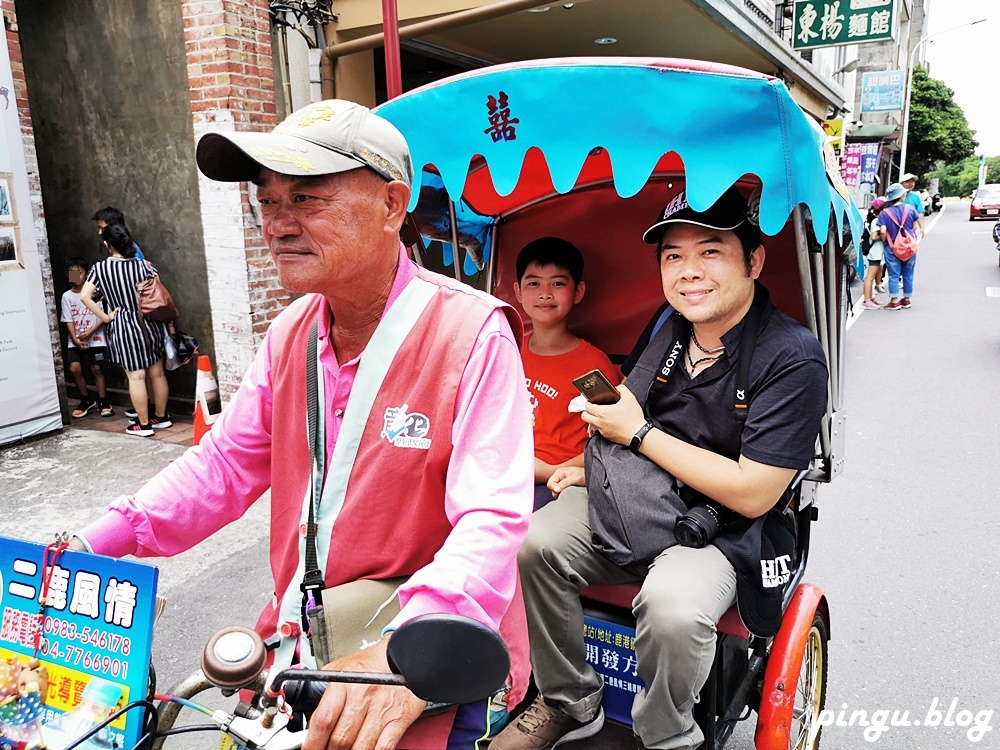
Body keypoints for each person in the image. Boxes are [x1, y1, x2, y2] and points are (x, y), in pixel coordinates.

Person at [69, 100, 534, 750]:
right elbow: (226, 463)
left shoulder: (471, 333)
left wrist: (409, 650)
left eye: (307, 199)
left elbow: (492, 518)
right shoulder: (291, 332)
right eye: (267, 202)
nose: (278, 225)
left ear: (393, 206)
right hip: (309, 640)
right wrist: (89, 545)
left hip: (425, 655)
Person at [491, 187, 828, 750]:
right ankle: (570, 701)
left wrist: (639, 435)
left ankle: (667, 735)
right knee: (530, 541)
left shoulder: (791, 357)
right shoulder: (669, 326)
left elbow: (753, 494)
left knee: (671, 608)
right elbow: (626, 409)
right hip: (639, 495)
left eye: (710, 251)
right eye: (673, 256)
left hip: (727, 528)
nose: (688, 272)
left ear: (755, 260)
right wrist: (583, 463)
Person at [513, 237, 616, 511]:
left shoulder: (593, 364)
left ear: (578, 291)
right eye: (533, 283)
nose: (545, 293)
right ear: (518, 292)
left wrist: (547, 470)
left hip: (559, 485)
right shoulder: (506, 350)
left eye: (558, 283)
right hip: (502, 475)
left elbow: (609, 444)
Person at [79, 224, 172, 435]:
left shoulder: (100, 269)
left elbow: (85, 296)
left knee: (136, 377)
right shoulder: (145, 266)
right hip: (151, 322)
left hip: (124, 324)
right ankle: (161, 417)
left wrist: (105, 317)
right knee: (157, 373)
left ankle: (144, 424)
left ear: (107, 244)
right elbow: (159, 293)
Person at [60, 257, 114, 418]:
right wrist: (75, 339)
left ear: (87, 274)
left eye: (79, 273)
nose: (76, 276)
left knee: (97, 368)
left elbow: (105, 316)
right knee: (74, 368)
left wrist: (91, 332)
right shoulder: (67, 296)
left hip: (96, 338)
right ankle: (85, 400)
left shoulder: (97, 295)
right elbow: (67, 319)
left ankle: (103, 401)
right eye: (72, 273)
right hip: (75, 340)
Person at [877, 182, 919, 311]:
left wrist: (887, 242)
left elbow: (883, 231)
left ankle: (894, 301)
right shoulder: (910, 209)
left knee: (894, 275)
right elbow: (915, 227)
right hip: (909, 247)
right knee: (908, 274)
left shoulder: (885, 213)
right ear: (901, 196)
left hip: (892, 247)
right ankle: (906, 300)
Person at [861, 198, 886, 310]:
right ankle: (866, 300)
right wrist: (884, 237)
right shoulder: (877, 221)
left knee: (871, 276)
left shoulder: (876, 220)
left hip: (877, 252)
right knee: (870, 277)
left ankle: (870, 298)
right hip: (874, 252)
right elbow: (874, 237)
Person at [899, 173, 926, 238]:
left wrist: (922, 228)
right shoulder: (895, 195)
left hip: (910, 230)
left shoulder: (915, 196)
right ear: (901, 183)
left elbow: (920, 212)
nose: (911, 184)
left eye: (912, 182)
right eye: (907, 182)